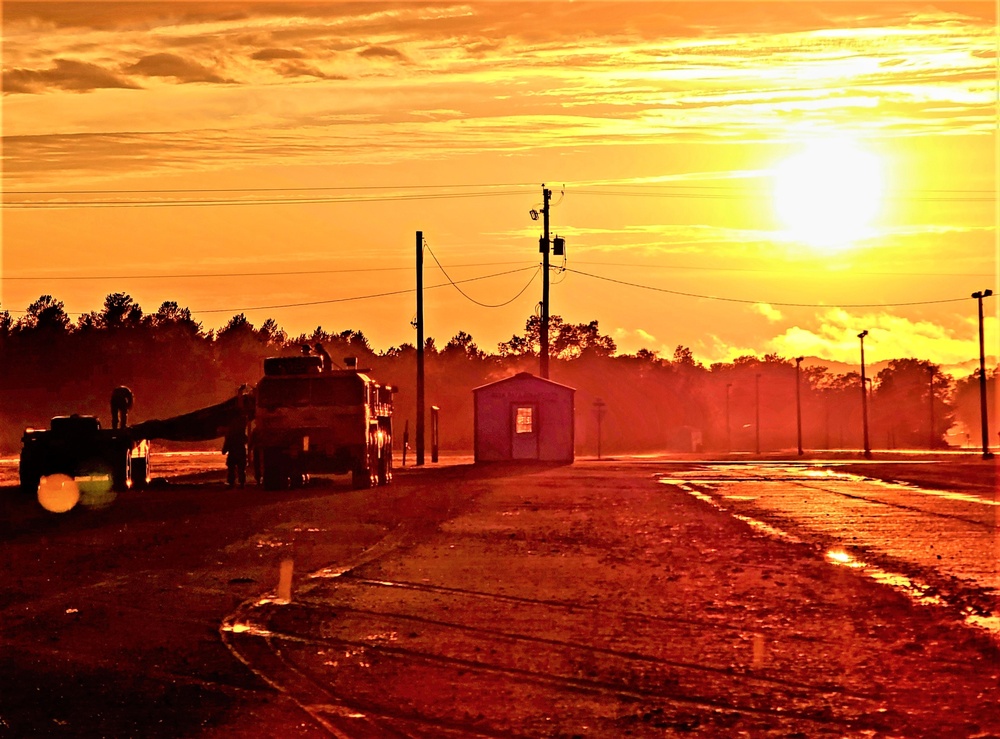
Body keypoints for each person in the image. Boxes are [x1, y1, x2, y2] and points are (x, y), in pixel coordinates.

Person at [222, 423, 248, 488]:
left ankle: (231, 482)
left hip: (232, 453)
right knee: (241, 469)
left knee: (231, 469)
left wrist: (224, 450)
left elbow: (227, 443)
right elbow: (246, 440)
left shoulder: (230, 434)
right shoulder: (241, 434)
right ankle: (242, 482)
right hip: (241, 453)